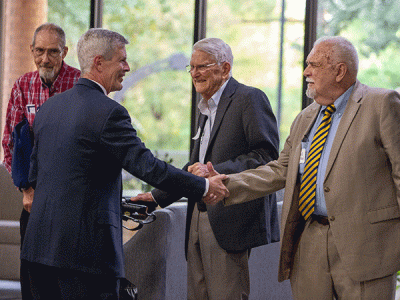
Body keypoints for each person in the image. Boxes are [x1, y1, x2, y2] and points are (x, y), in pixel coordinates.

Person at [20, 28, 229, 299]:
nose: (127, 67)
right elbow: (148, 167)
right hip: (85, 260)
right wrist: (202, 186)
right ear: (98, 62)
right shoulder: (109, 113)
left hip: (36, 254)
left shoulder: (49, 109)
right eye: (121, 60)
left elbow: (37, 175)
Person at [212, 36, 400, 299]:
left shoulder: (381, 104)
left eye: (313, 64)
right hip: (308, 241)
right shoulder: (305, 117)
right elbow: (280, 170)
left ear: (340, 71)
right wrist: (224, 184)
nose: (305, 72)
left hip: (366, 246)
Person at [132, 37, 280, 299]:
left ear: (225, 69)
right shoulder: (204, 109)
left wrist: (215, 171)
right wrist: (157, 197)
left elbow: (266, 154)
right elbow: (193, 167)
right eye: (191, 67)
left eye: (202, 66)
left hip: (230, 214)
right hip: (198, 215)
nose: (195, 73)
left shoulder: (249, 98)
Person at [1, 22, 80, 299]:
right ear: (31, 50)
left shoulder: (79, 84)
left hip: (71, 203)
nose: (45, 59)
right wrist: (26, 189)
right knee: (33, 281)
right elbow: (10, 144)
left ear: (65, 52)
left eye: (53, 52)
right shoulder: (23, 85)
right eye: (39, 51)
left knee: (66, 281)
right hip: (33, 199)